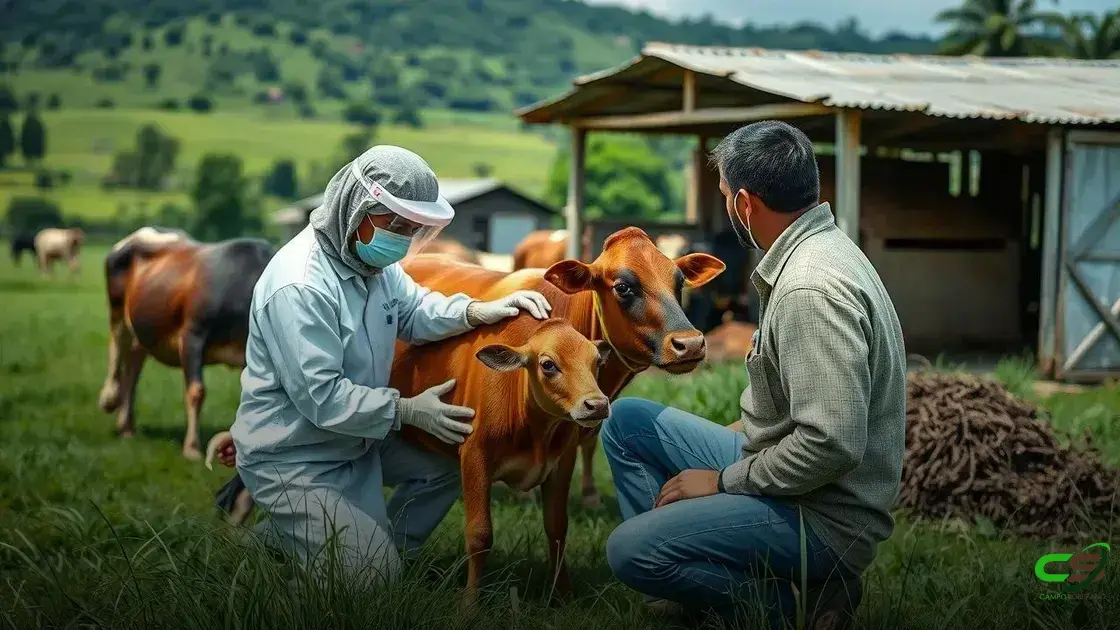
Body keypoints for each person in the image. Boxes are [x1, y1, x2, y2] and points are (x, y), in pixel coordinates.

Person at [601, 121, 906, 630]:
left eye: (723, 195)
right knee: (627, 421)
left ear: (744, 205)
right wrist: (731, 444)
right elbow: (801, 412)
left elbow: (831, 443)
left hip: (824, 516)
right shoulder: (823, 250)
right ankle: (694, 578)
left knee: (629, 552)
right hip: (789, 475)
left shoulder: (810, 291)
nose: (725, 205)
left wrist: (720, 480)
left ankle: (787, 603)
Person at [224, 145, 553, 584]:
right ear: (355, 206)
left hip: (354, 437)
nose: (402, 237)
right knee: (373, 580)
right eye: (395, 224)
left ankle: (367, 550)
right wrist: (406, 410)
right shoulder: (300, 286)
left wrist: (479, 310)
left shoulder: (370, 265)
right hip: (294, 453)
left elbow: (416, 312)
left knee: (444, 467)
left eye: (413, 228)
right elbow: (322, 398)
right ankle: (352, 565)